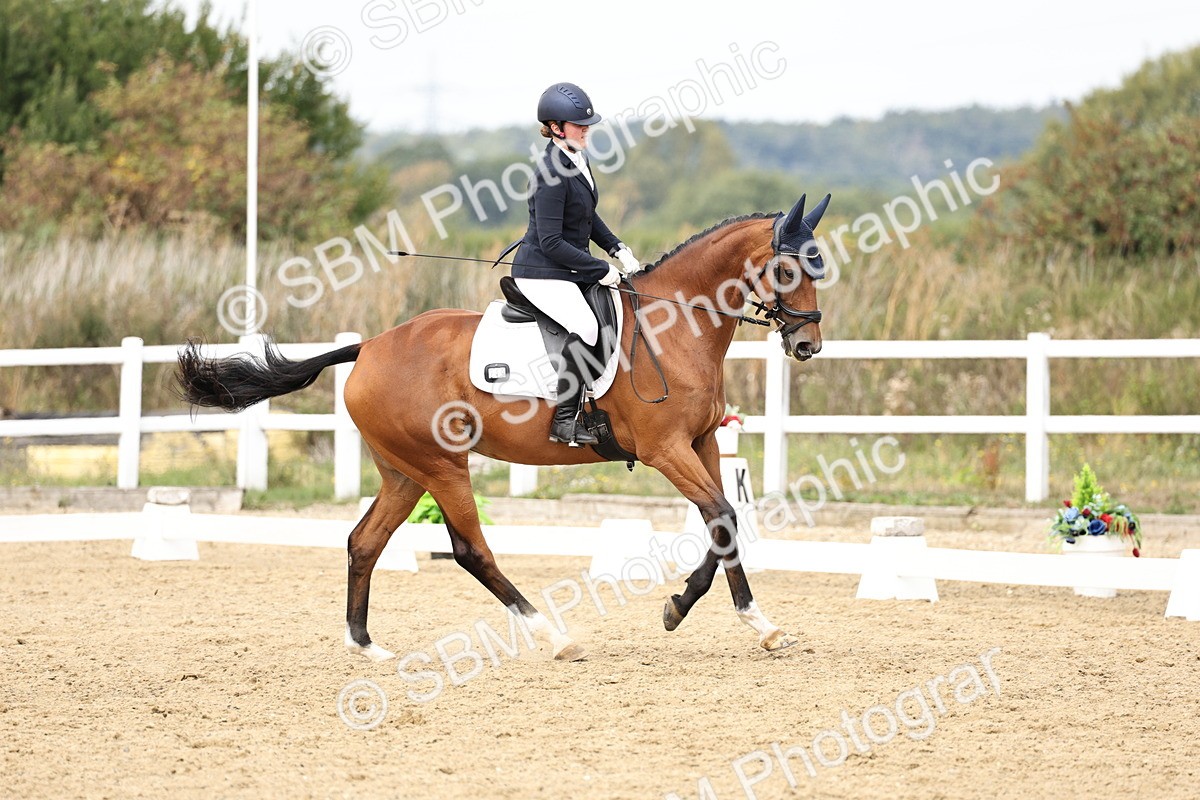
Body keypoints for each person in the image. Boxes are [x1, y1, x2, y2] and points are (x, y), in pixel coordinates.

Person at [511, 82, 641, 446]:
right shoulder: (550, 173)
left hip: (566, 270)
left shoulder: (576, 159)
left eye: (587, 124)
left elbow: (587, 216)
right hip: (542, 273)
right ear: (555, 127)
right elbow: (551, 242)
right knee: (585, 325)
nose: (586, 129)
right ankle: (564, 421)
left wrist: (617, 249)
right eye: (578, 125)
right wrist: (599, 269)